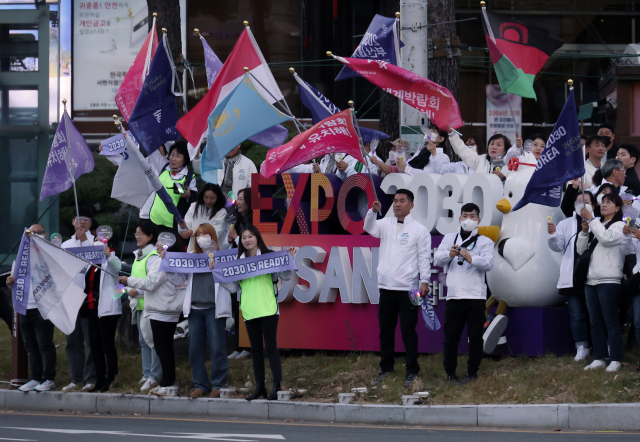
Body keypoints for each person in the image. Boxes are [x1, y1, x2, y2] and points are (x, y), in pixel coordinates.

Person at [218, 225, 295, 401]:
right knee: (256, 350)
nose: (247, 240)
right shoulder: (239, 262)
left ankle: (277, 386)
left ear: (257, 238)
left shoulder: (269, 256)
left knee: (271, 348)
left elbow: (285, 276)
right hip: (249, 309)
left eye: (250, 236)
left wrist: (287, 261)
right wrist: (218, 275)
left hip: (268, 307)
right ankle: (260, 386)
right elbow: (234, 287)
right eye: (244, 237)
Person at [364, 189, 431, 388]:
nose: (397, 204)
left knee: (408, 331)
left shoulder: (420, 230)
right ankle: (386, 368)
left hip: (409, 289)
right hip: (385, 287)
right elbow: (369, 228)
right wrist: (372, 212)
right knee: (386, 331)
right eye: (394, 201)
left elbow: (424, 258)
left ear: (411, 205)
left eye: (402, 201)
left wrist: (424, 281)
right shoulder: (385, 224)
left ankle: (412, 370)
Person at [434, 203, 494, 385]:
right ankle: (450, 374)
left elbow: (489, 263)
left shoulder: (485, 241)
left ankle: (472, 373)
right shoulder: (449, 238)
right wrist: (450, 255)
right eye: (465, 216)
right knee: (451, 338)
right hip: (454, 296)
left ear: (479, 220)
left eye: (472, 216)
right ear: (459, 218)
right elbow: (437, 259)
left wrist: (471, 258)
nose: (468, 220)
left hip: (475, 297)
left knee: (475, 337)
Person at [120, 237, 188, 397]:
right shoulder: (172, 261)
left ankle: (168, 382)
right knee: (165, 348)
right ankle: (166, 382)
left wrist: (128, 279)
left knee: (162, 348)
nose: (157, 244)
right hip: (169, 310)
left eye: (160, 241)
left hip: (161, 311)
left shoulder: (162, 261)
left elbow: (150, 283)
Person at [577, 193, 631, 372]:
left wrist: (592, 220)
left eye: (609, 202)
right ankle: (599, 357)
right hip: (590, 279)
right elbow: (581, 250)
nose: (604, 205)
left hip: (609, 279)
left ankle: (616, 358)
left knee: (611, 321)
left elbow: (607, 239)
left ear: (617, 208)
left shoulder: (620, 226)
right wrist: (585, 232)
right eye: (603, 202)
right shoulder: (597, 225)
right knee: (595, 321)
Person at [183, 224, 232, 399]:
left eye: (205, 234)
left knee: (217, 346)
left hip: (213, 308)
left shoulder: (221, 256)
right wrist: (166, 260)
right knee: (195, 349)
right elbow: (177, 278)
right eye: (198, 235)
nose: (201, 237)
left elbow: (230, 281)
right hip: (195, 309)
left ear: (213, 236)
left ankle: (219, 384)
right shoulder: (190, 257)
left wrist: (216, 266)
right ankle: (200, 384)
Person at [7, 224, 57, 392]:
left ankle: (48, 378)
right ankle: (35, 378)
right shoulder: (20, 258)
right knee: (30, 346)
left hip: (42, 307)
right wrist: (9, 283)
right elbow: (15, 281)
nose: (34, 235)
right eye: (31, 233)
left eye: (38, 233)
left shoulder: (48, 255)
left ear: (45, 235)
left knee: (44, 344)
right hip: (24, 307)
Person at [548, 191, 596, 362]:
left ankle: (598, 345)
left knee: (595, 313)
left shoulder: (598, 222)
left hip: (592, 274)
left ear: (593, 205)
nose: (582, 203)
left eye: (586, 200)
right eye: (578, 201)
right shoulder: (565, 223)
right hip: (573, 275)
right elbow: (558, 247)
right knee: (576, 314)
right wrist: (553, 234)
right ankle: (581, 346)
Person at [61, 210, 97, 392]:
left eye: (86, 219)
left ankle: (91, 378)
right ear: (73, 221)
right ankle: (76, 378)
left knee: (91, 340)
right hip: (70, 297)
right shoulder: (66, 245)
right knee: (72, 340)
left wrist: (85, 243)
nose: (82, 222)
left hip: (89, 298)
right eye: (78, 219)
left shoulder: (96, 242)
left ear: (91, 223)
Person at [127, 221, 163, 392]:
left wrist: (137, 292)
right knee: (143, 341)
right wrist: (129, 289)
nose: (137, 236)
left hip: (150, 305)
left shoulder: (153, 257)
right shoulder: (138, 255)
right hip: (139, 305)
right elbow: (135, 279)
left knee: (152, 341)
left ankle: (154, 375)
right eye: (136, 233)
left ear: (150, 236)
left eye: (140, 233)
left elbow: (151, 284)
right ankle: (146, 373)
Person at [84, 235, 122, 392]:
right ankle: (99, 378)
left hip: (107, 309)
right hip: (92, 309)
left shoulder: (110, 261)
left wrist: (108, 254)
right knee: (94, 345)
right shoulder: (90, 264)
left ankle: (111, 377)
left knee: (107, 345)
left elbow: (117, 267)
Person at [141, 140, 198, 230]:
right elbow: (151, 150)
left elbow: (195, 200)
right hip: (154, 220)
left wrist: (188, 195)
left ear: (185, 159)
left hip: (173, 225)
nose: (173, 159)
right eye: (172, 155)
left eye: (178, 156)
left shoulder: (189, 177)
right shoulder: (163, 166)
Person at [179, 183, 228, 252]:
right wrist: (182, 226)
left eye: (212, 198)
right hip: (194, 252)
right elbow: (186, 228)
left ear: (218, 198)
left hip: (214, 254)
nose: (208, 201)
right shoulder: (194, 206)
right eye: (206, 197)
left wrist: (193, 232)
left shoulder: (222, 213)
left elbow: (215, 234)